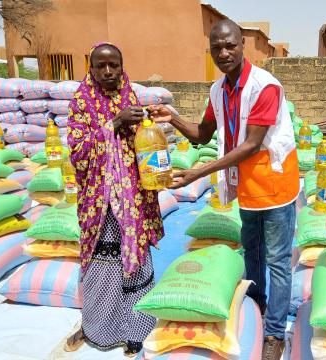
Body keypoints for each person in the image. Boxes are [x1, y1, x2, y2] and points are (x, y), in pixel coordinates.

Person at [148, 20, 299, 360]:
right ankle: (258, 308)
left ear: (243, 45)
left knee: (276, 259)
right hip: (246, 184)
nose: (224, 53)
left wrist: (197, 172)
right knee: (252, 250)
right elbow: (202, 134)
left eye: (230, 45)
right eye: (217, 47)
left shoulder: (265, 86)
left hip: (274, 183)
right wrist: (171, 117)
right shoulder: (218, 90)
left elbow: (251, 144)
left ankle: (275, 333)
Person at [64, 42, 164, 357]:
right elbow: (78, 153)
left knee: (135, 264)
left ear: (122, 66)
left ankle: (137, 330)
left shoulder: (128, 95)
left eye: (114, 65)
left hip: (133, 198)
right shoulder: (81, 101)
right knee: (102, 267)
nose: (108, 72)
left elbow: (140, 142)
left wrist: (144, 124)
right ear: (90, 68)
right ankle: (98, 328)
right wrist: (115, 123)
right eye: (101, 65)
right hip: (100, 203)